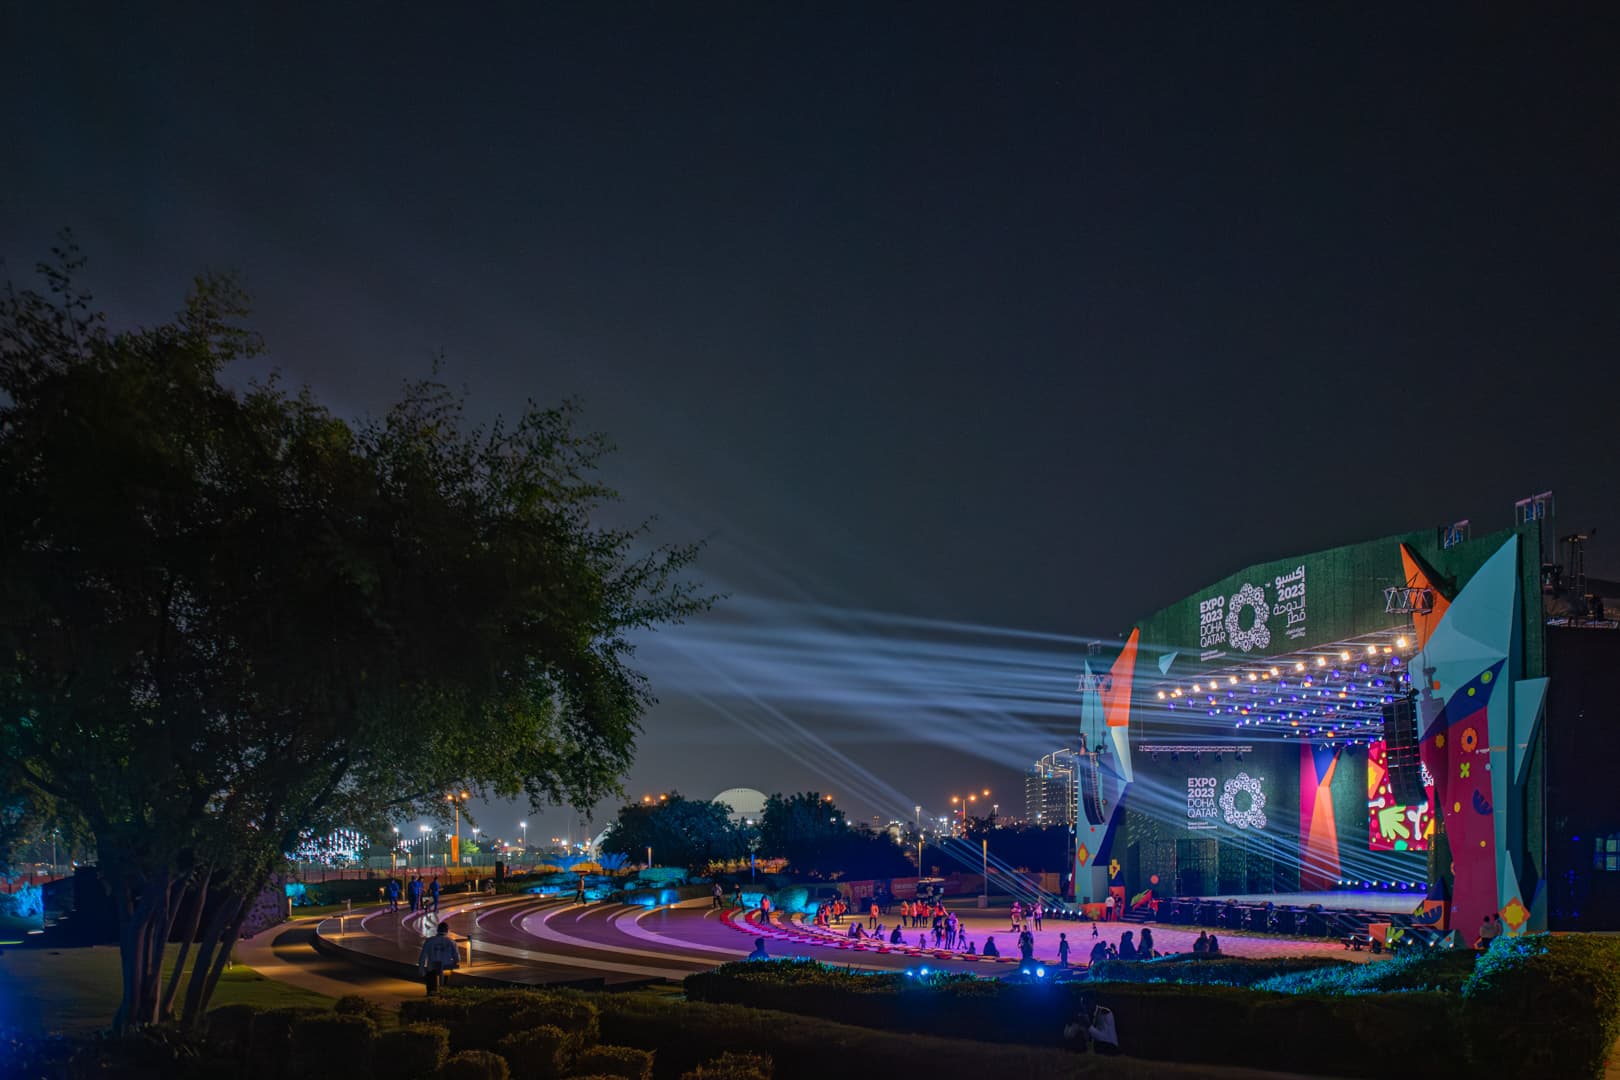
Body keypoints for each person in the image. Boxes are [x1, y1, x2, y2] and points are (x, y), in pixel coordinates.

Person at [417, 922, 460, 996]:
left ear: (437, 930)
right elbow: (457, 958)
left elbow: (423, 956)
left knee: (431, 992)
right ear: (447, 931)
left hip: (432, 968)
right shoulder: (451, 942)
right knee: (445, 991)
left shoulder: (429, 941)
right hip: (445, 968)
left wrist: (421, 968)